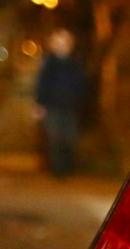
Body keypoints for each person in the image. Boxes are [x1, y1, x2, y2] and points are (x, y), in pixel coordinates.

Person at [34, 29, 89, 177]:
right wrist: (40, 105)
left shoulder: (75, 63)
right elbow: (42, 84)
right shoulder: (48, 63)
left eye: (64, 42)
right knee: (55, 138)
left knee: (70, 138)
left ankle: (68, 167)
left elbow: (81, 85)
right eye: (58, 43)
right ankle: (58, 170)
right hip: (52, 107)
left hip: (71, 107)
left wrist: (80, 102)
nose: (61, 46)